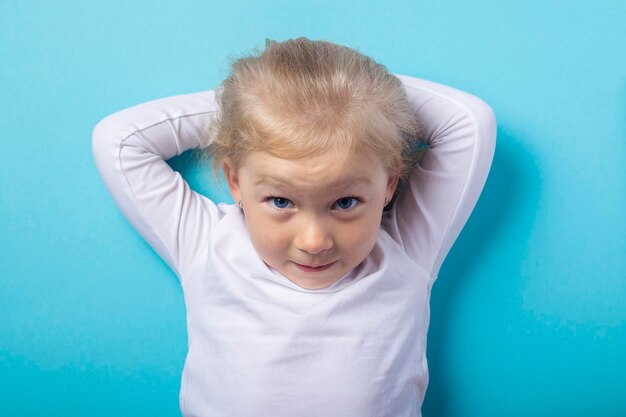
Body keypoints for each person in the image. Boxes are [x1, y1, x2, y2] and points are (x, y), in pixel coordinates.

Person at [92, 37, 496, 417]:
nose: (314, 242)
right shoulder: (206, 243)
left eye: (346, 202)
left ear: (389, 184)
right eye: (281, 202)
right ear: (235, 182)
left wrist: (354, 100)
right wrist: (252, 107)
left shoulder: (406, 248)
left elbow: (469, 123)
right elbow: (119, 142)